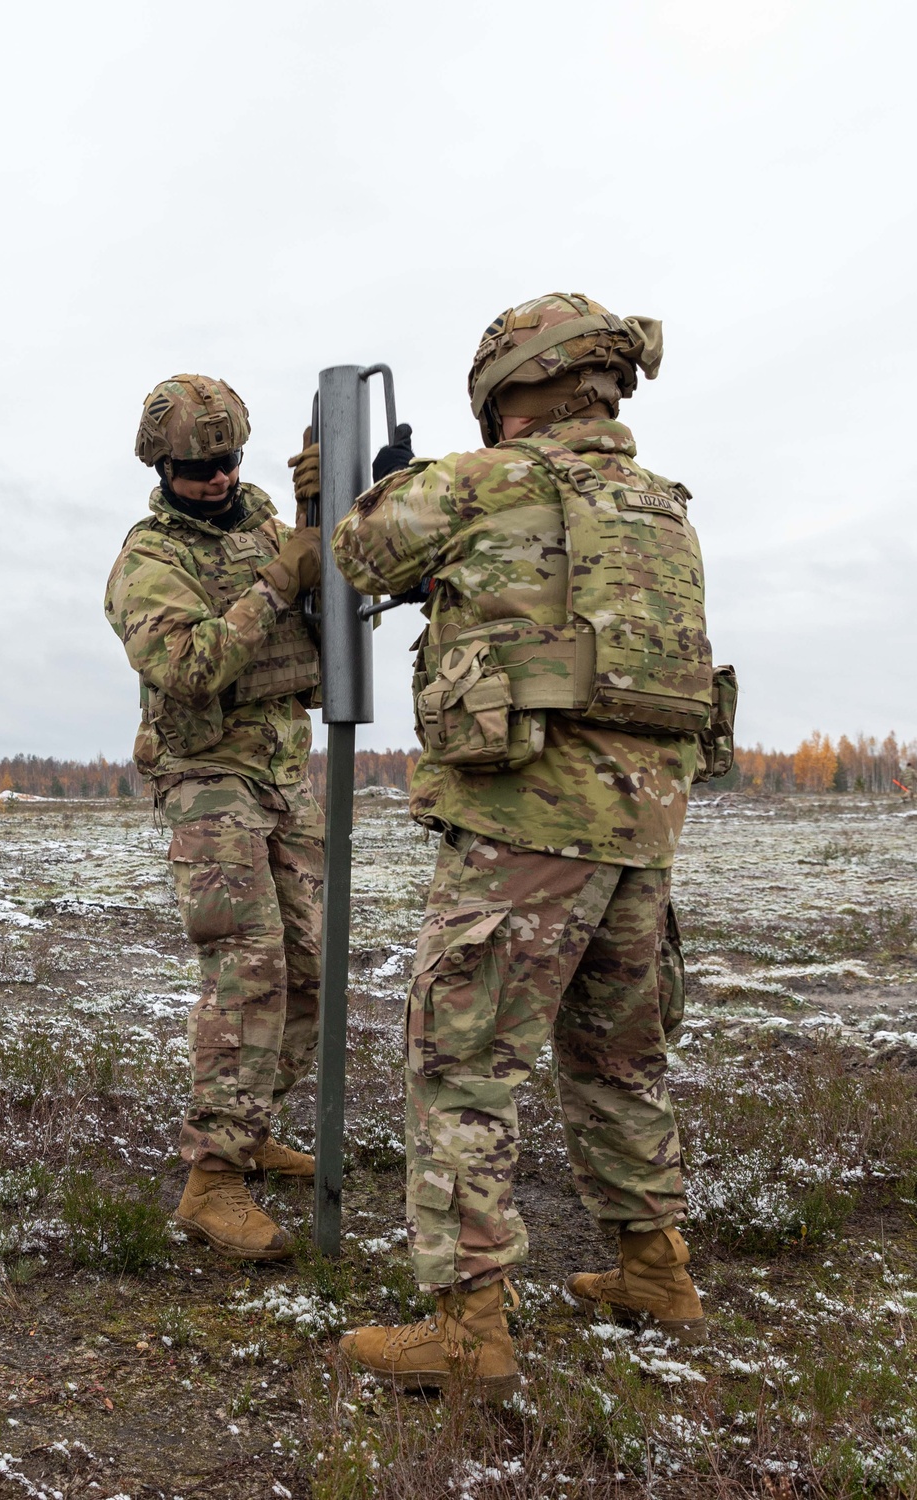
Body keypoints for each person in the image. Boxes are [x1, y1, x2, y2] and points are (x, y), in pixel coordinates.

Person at [332, 293, 725, 1395]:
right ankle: (656, 1268)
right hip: (642, 836)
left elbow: (362, 550)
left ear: (513, 392)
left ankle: (467, 1337)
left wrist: (385, 481)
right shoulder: (661, 506)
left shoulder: (486, 482)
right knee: (618, 1059)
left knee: (459, 1068)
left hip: (524, 830)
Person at [105, 374, 324, 1260]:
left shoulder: (271, 521)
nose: (220, 479)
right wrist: (278, 583)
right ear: (163, 465)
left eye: (231, 460)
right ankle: (212, 1177)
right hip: (206, 776)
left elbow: (332, 615)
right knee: (248, 964)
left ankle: (251, 1126)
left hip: (281, 769)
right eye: (200, 467)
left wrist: (337, 516)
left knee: (308, 966)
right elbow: (192, 666)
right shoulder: (147, 561)